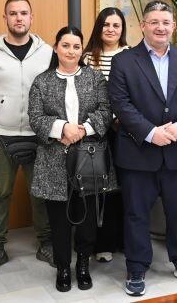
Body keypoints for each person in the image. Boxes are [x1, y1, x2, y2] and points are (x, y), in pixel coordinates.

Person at [108, 0, 177, 297]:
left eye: (165, 22)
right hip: (138, 152)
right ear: (143, 25)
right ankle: (137, 268)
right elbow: (120, 103)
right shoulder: (124, 61)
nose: (160, 27)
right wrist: (151, 133)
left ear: (173, 27)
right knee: (136, 214)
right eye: (154, 22)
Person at [0, 0, 54, 274]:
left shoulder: (47, 52)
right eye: (13, 13)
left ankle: (46, 244)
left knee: (41, 193)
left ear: (32, 17)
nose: (19, 18)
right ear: (4, 17)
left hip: (39, 135)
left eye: (24, 13)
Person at [28, 26, 115, 292]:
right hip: (53, 159)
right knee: (59, 220)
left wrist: (81, 131)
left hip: (88, 157)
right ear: (56, 48)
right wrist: (63, 128)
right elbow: (35, 117)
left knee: (86, 218)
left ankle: (83, 264)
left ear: (81, 50)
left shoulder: (95, 77)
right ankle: (63, 267)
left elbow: (106, 111)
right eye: (65, 45)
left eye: (76, 46)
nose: (71, 51)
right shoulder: (42, 81)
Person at [83, 7, 130, 264]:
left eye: (116, 25)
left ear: (122, 29)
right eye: (106, 24)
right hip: (96, 132)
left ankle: (122, 239)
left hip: (125, 131)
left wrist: (121, 119)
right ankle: (100, 243)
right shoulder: (87, 57)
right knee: (99, 189)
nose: (111, 29)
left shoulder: (131, 54)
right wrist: (103, 121)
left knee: (123, 187)